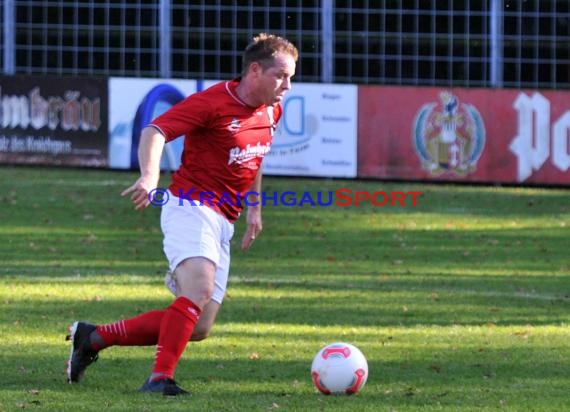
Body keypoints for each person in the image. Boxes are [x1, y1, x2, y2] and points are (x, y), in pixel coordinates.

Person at [66, 33, 298, 396]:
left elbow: (256, 156)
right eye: (281, 76)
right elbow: (156, 130)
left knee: (200, 326)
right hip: (189, 206)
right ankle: (159, 379)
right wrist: (149, 175)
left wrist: (254, 207)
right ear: (255, 70)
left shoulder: (272, 109)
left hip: (226, 218)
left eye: (291, 77)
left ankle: (93, 338)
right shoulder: (212, 102)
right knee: (199, 289)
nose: (287, 85)